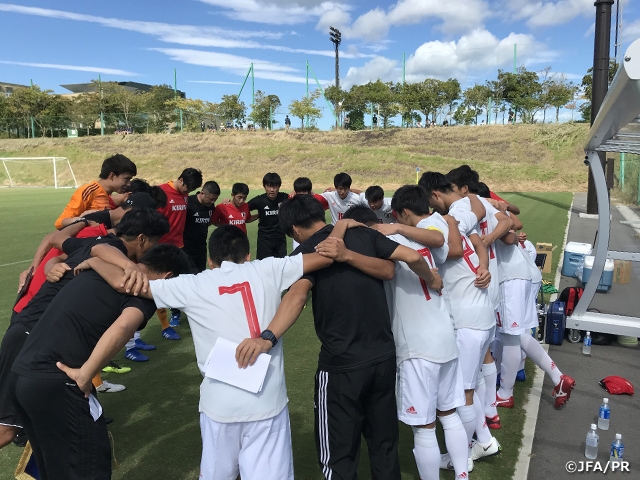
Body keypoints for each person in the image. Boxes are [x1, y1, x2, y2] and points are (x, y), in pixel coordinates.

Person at [96, 225, 333, 479]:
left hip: (219, 406)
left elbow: (123, 283)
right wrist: (342, 226)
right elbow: (327, 256)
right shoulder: (271, 268)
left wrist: (92, 261)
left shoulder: (192, 284)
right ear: (248, 255)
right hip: (267, 403)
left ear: (210, 260)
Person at [237, 194, 442, 480]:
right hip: (383, 358)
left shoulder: (308, 252)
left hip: (341, 366)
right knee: (384, 445)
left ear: (294, 230)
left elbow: (296, 297)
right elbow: (408, 259)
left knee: (338, 456)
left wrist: (268, 337)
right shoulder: (363, 234)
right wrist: (431, 279)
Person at [12, 244, 193, 479]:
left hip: (22, 375)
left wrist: (96, 262)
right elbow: (124, 325)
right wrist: (86, 374)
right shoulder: (141, 293)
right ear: (168, 277)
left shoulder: (96, 270)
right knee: (88, 467)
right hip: (59, 382)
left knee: (55, 469)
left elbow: (98, 248)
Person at [0, 208, 169, 449]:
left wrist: (54, 263)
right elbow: (114, 270)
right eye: (156, 241)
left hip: (37, 335)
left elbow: (60, 241)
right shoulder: (117, 256)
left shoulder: (94, 243)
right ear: (142, 238)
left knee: (61, 423)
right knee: (7, 430)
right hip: (31, 336)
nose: (155, 247)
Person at [363, 190, 471, 480]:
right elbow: (437, 240)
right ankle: (463, 474)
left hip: (417, 345)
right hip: (445, 336)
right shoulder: (425, 238)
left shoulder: (390, 242)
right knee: (448, 413)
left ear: (401, 214)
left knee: (423, 426)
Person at [418, 173, 500, 469]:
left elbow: (450, 249)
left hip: (467, 322)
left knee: (463, 393)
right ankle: (486, 440)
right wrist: (484, 264)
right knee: (472, 385)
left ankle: (461, 457)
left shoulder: (441, 222)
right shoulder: (460, 215)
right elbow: (477, 237)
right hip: (482, 316)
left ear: (435, 197)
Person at [152, 168, 203, 338]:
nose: (188, 192)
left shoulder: (186, 194)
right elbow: (155, 221)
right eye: (187, 188)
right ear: (180, 180)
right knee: (162, 285)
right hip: (161, 248)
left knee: (189, 279)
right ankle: (166, 325)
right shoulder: (162, 192)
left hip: (180, 246)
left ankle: (192, 313)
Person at [55, 154, 137, 229]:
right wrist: (84, 220)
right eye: (126, 179)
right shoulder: (89, 191)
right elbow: (60, 222)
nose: (129, 184)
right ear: (112, 176)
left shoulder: (107, 196)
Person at [248, 173, 290, 259]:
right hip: (265, 240)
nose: (272, 190)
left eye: (274, 187)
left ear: (279, 187)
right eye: (269, 186)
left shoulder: (285, 197)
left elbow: (300, 200)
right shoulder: (259, 200)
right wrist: (228, 202)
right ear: (264, 186)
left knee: (281, 266)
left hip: (280, 239)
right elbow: (242, 208)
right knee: (263, 267)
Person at [183, 181, 221, 273]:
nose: (212, 202)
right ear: (202, 193)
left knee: (200, 275)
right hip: (186, 249)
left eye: (215, 199)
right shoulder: (189, 203)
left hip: (201, 249)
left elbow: (207, 222)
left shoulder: (210, 206)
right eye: (211, 199)